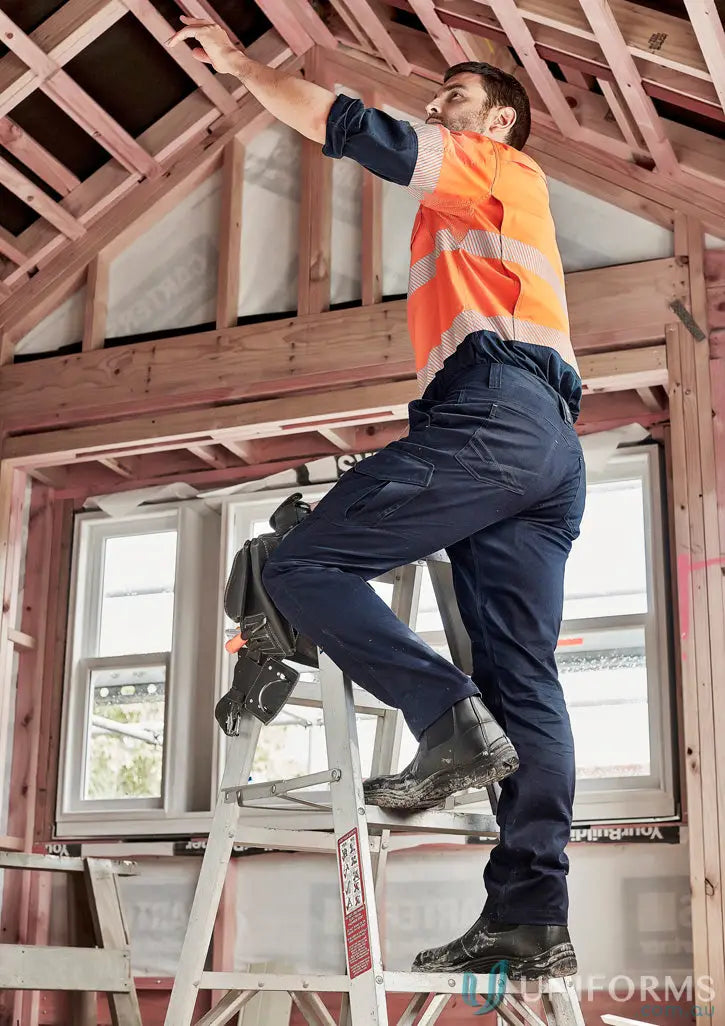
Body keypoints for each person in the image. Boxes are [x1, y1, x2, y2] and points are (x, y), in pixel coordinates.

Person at [169, 18, 585, 981]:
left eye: (454, 95)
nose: (437, 106)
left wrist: (240, 68)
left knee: (303, 561)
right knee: (525, 680)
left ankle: (445, 720)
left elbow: (352, 125)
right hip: (541, 447)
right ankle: (530, 916)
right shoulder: (479, 218)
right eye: (438, 97)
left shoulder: (489, 165)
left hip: (497, 413)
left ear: (501, 119)